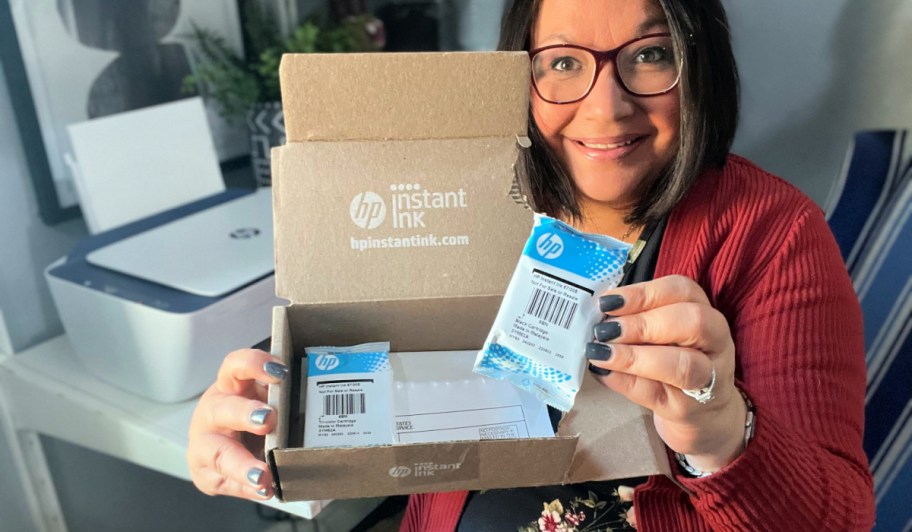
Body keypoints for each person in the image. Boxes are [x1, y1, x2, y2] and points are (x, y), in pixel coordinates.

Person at [187, 0, 876, 529]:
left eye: (651, 53)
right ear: (519, 73)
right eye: (564, 63)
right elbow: (379, 339)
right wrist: (265, 408)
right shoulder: (470, 196)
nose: (606, 109)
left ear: (701, 65)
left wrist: (723, 434)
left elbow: (843, 518)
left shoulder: (774, 235)